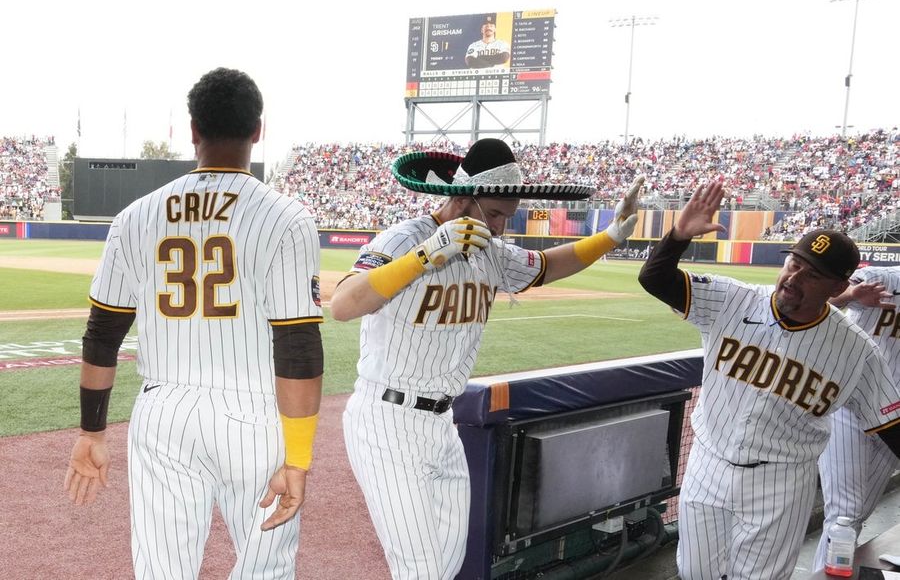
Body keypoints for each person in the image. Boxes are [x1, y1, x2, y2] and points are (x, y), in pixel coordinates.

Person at [331, 138, 643, 579]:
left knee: (445, 564)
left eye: (506, 216)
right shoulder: (405, 238)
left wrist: (611, 236)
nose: (499, 227)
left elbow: (546, 265)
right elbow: (343, 303)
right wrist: (423, 258)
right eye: (494, 214)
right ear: (462, 199)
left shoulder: (488, 251)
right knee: (421, 570)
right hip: (388, 420)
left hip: (444, 422)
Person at [63, 67, 324, 579]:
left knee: (162, 570)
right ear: (258, 130)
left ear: (193, 130)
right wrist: (298, 457)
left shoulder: (135, 216)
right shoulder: (285, 216)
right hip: (255, 415)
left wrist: (92, 430)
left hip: (163, 413)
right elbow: (298, 346)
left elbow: (102, 334)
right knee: (265, 569)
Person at [637, 180, 900, 580]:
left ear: (838, 287)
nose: (794, 278)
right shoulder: (733, 298)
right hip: (708, 464)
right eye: (793, 264)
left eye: (811, 275)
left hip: (780, 481)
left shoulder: (857, 350)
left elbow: (892, 425)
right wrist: (678, 236)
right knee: (694, 573)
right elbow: (655, 279)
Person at [813, 266, 900, 570]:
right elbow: (817, 300)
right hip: (852, 409)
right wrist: (850, 295)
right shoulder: (884, 278)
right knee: (844, 513)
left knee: (857, 514)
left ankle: (833, 570)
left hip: (894, 423)